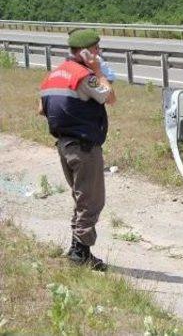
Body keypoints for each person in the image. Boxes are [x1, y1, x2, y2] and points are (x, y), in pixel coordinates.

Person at [38, 29, 116, 271]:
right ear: (86, 52)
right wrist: (98, 70)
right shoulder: (84, 75)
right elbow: (110, 97)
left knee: (81, 197)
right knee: (92, 200)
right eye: (97, 50)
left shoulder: (53, 75)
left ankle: (77, 248)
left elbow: (41, 109)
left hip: (64, 145)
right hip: (84, 147)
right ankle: (80, 253)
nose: (99, 53)